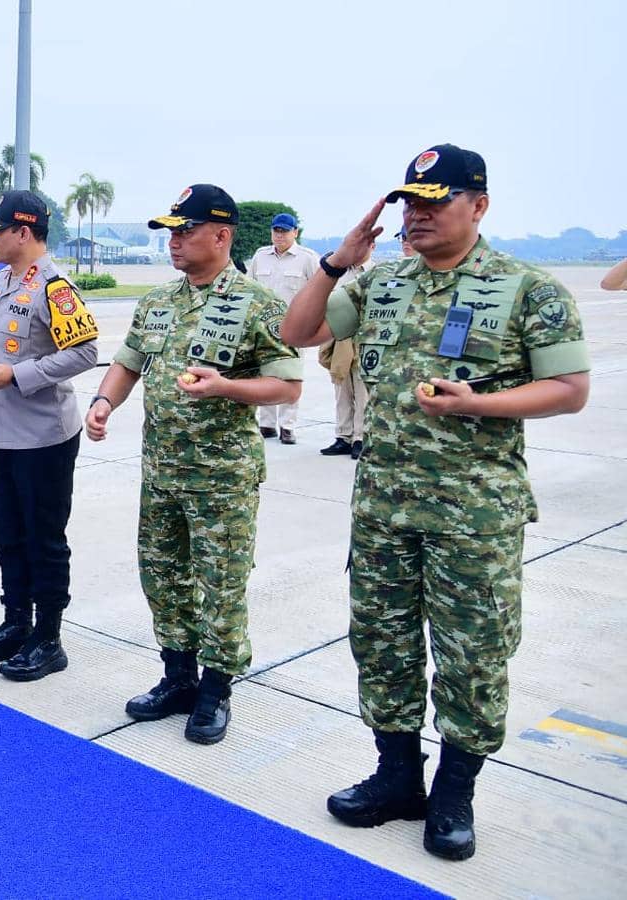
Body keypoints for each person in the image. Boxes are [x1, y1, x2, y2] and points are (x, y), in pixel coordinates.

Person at [281, 144, 590, 861]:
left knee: (473, 656)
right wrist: (338, 261)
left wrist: (484, 402)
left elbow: (570, 390)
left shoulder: (526, 288)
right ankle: (396, 777)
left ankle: (454, 794)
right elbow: (298, 334)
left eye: (434, 201)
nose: (416, 215)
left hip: (474, 516)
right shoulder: (382, 283)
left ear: (478, 205)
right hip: (384, 509)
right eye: (408, 203)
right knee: (381, 646)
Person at [85, 185, 302, 744]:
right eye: (171, 233)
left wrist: (227, 386)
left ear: (222, 235)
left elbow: (289, 384)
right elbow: (128, 361)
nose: (175, 243)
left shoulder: (258, 303)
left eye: (185, 231)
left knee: (220, 582)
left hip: (222, 477)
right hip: (160, 470)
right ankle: (177, 675)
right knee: (162, 574)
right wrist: (104, 402)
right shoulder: (159, 302)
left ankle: (216, 689)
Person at [0, 191, 99, 681]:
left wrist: (18, 377)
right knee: (9, 535)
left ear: (23, 232)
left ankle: (48, 638)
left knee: (43, 539)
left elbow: (85, 353)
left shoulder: (54, 287)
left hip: (44, 437)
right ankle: (15, 623)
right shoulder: (2, 280)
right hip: (4, 432)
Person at [248, 213, 318, 444]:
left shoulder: (307, 258)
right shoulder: (261, 256)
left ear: (295, 233)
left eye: (285, 231)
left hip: (295, 325)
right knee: (265, 373)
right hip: (264, 326)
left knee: (290, 375)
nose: (279, 235)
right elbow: (250, 288)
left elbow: (319, 290)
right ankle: (267, 424)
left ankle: (287, 426)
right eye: (276, 231)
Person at [318, 241, 374, 460]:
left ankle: (360, 438)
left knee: (362, 392)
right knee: (341, 388)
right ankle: (343, 436)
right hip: (340, 336)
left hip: (364, 338)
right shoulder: (341, 274)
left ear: (372, 247)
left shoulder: (376, 273)